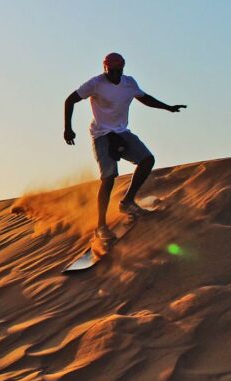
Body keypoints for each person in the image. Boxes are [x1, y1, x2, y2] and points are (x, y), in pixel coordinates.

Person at [64, 52, 186, 241]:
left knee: (147, 160)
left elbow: (144, 98)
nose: (115, 75)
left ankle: (128, 201)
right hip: (101, 135)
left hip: (122, 132)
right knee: (109, 177)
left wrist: (167, 107)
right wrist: (68, 129)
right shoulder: (95, 83)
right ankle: (101, 227)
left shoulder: (129, 83)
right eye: (111, 71)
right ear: (105, 68)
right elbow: (70, 100)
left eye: (118, 71)